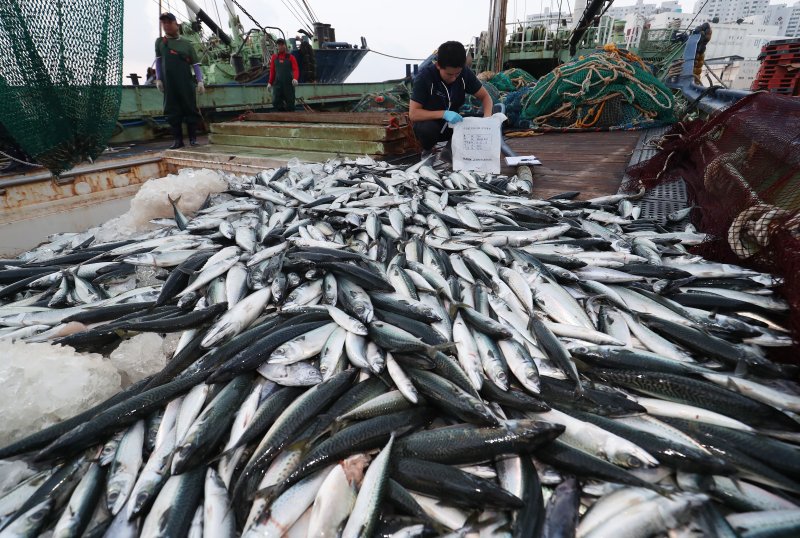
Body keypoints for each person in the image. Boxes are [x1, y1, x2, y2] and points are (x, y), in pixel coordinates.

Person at [409, 41, 493, 159]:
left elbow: (486, 97)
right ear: (438, 65)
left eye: (457, 74)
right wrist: (444, 114)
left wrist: (487, 119)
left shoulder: (465, 73)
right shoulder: (424, 77)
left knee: (480, 122)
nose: (454, 78)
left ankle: (449, 150)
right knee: (427, 129)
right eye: (449, 74)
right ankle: (427, 151)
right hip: (432, 125)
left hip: (454, 125)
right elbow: (413, 114)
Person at [154, 12, 205, 149]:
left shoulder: (187, 45)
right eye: (163, 23)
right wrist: (158, 79)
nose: (166, 25)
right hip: (169, 85)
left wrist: (200, 81)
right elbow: (158, 62)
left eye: (169, 22)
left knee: (190, 109)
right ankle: (178, 141)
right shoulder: (160, 43)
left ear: (176, 24)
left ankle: (193, 139)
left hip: (186, 83)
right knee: (172, 111)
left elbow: (195, 64)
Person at [268, 38, 299, 112]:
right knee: (275, 101)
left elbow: (295, 69)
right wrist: (270, 83)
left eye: (282, 44)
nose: (281, 46)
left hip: (288, 84)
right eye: (279, 45)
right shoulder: (274, 57)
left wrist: (295, 78)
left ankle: (291, 117)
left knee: (290, 103)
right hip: (278, 83)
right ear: (277, 46)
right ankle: (283, 114)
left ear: (285, 46)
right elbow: (272, 71)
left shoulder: (291, 57)